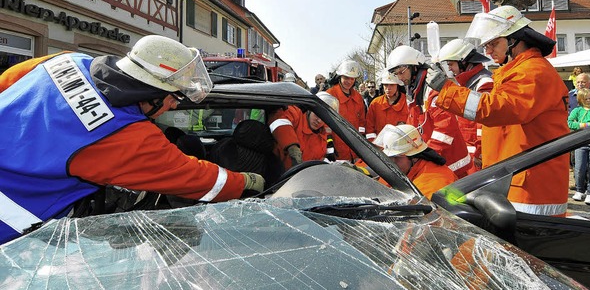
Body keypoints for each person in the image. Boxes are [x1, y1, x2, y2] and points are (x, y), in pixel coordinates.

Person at [0, 35, 265, 244]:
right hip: (10, 220)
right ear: (152, 92)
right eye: (174, 97)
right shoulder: (124, 135)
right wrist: (247, 181)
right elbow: (196, 178)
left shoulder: (67, 60)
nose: (173, 107)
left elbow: (6, 83)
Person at [426, 5, 570, 216]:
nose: (488, 51)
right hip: (518, 179)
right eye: (486, 45)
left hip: (531, 188)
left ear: (515, 39)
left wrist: (447, 91)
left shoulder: (533, 72)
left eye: (493, 43)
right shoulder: (520, 71)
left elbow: (496, 109)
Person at [386, 45, 471, 178]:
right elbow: (413, 126)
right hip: (434, 160)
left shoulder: (432, 89)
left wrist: (426, 155)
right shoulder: (414, 91)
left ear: (414, 67)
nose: (400, 77)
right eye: (396, 74)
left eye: (401, 72)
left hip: (450, 163)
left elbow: (445, 130)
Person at [436, 39, 494, 173]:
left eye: (451, 64)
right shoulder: (470, 83)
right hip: (471, 156)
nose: (449, 69)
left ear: (463, 61)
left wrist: (480, 152)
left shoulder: (483, 83)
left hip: (479, 158)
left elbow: (485, 124)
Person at [373, 124, 457, 199]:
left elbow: (421, 212)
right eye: (389, 157)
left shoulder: (433, 182)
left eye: (396, 157)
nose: (391, 163)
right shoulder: (405, 169)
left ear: (414, 157)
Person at [268, 91, 339, 170]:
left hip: (302, 177)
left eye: (324, 119)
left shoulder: (322, 135)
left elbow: (318, 160)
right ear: (309, 110)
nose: (319, 121)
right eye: (317, 115)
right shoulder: (296, 115)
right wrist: (292, 147)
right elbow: (279, 121)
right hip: (279, 174)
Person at [326, 60, 366, 161]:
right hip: (337, 151)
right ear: (340, 77)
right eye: (346, 78)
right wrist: (329, 145)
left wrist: (361, 142)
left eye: (352, 78)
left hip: (356, 150)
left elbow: (362, 122)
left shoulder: (358, 97)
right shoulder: (330, 95)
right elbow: (324, 124)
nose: (349, 81)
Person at [365, 73, 408, 141]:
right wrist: (374, 145)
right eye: (386, 85)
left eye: (392, 85)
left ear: (398, 86)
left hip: (401, 147)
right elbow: (369, 128)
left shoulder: (408, 103)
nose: (388, 88)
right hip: (379, 148)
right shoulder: (375, 103)